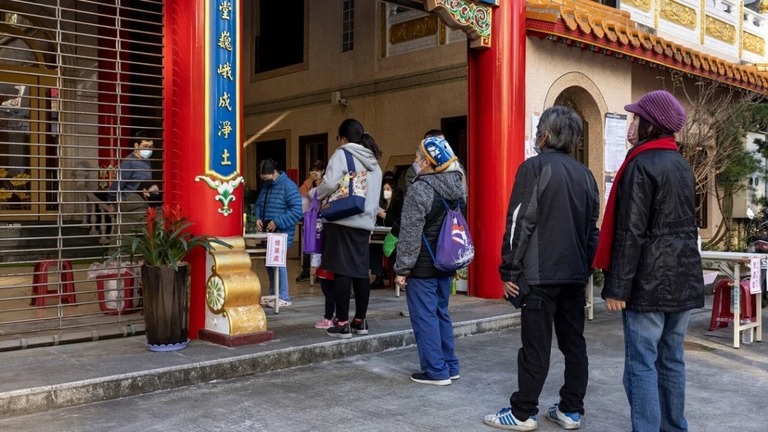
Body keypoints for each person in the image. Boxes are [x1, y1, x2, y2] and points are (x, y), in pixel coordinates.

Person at [594, 90, 704, 432]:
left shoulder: (641, 164)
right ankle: (674, 427)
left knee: (641, 364)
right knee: (672, 360)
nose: (632, 124)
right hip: (683, 279)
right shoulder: (681, 164)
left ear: (650, 125)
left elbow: (631, 232)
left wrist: (617, 286)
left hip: (648, 284)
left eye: (636, 118)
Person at [484, 106, 599, 431]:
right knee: (573, 343)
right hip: (574, 275)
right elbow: (593, 230)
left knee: (535, 345)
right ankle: (571, 410)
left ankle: (522, 412)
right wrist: (585, 267)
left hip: (538, 275)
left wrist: (508, 270)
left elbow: (520, 221)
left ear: (545, 135)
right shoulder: (586, 176)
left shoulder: (533, 168)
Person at [393, 135, 466, 386]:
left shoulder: (420, 189)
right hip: (445, 260)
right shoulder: (457, 186)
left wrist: (402, 268)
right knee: (441, 313)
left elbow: (410, 233)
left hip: (422, 265)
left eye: (416, 158)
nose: (415, 163)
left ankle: (436, 370)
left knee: (425, 317)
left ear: (427, 162)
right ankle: (450, 365)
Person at [311, 118, 383, 338]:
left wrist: (317, 193)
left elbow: (330, 183)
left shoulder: (342, 154)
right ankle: (360, 321)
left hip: (342, 220)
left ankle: (342, 323)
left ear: (343, 138)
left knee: (342, 271)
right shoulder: (375, 162)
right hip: (364, 224)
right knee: (361, 272)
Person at [253, 159, 303, 308]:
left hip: (280, 232)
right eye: (262, 179)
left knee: (279, 264)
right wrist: (257, 219)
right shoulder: (266, 186)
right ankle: (274, 294)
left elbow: (297, 211)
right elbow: (258, 205)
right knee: (269, 264)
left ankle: (283, 296)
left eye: (267, 178)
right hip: (267, 231)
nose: (265, 181)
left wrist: (278, 222)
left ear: (275, 173)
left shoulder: (289, 186)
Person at [370, 177, 403, 288]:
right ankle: (378, 275)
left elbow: (398, 220)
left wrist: (385, 215)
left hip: (394, 235)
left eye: (388, 189)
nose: (386, 192)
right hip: (381, 233)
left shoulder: (398, 203)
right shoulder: (382, 203)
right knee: (373, 248)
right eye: (384, 189)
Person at [297, 160, 325, 283]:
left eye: (318, 170)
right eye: (313, 170)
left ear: (323, 171)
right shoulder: (309, 184)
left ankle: (320, 272)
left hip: (322, 219)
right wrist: (310, 179)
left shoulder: (325, 184)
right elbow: (301, 192)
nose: (315, 173)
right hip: (309, 218)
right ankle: (306, 271)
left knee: (321, 245)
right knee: (308, 244)